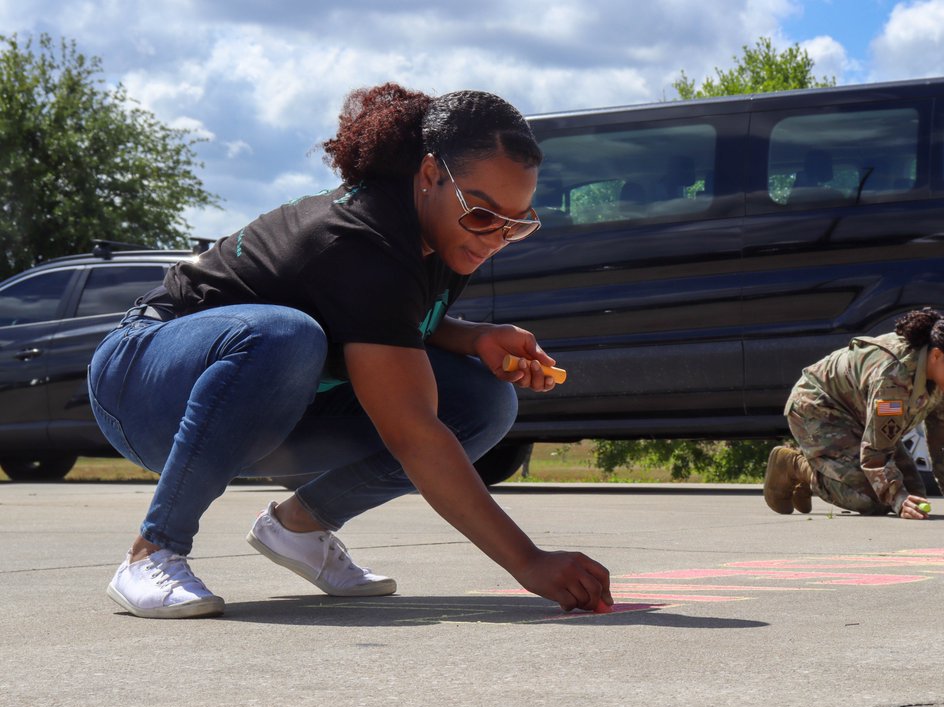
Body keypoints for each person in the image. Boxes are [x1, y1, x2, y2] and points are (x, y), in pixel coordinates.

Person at [89, 83, 612, 618]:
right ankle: (150, 553)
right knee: (288, 336)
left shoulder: (432, 234)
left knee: (482, 403)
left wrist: (474, 337)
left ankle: (299, 528)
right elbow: (411, 430)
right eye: (482, 215)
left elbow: (381, 324)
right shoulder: (362, 241)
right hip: (141, 385)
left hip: (251, 406)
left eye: (515, 225)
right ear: (430, 175)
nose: (493, 239)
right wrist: (528, 561)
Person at [763, 308, 944, 520]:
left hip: (861, 414)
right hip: (818, 407)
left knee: (915, 495)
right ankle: (795, 466)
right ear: (936, 356)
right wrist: (897, 499)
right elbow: (875, 451)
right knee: (872, 499)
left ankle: (827, 471)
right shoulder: (894, 377)